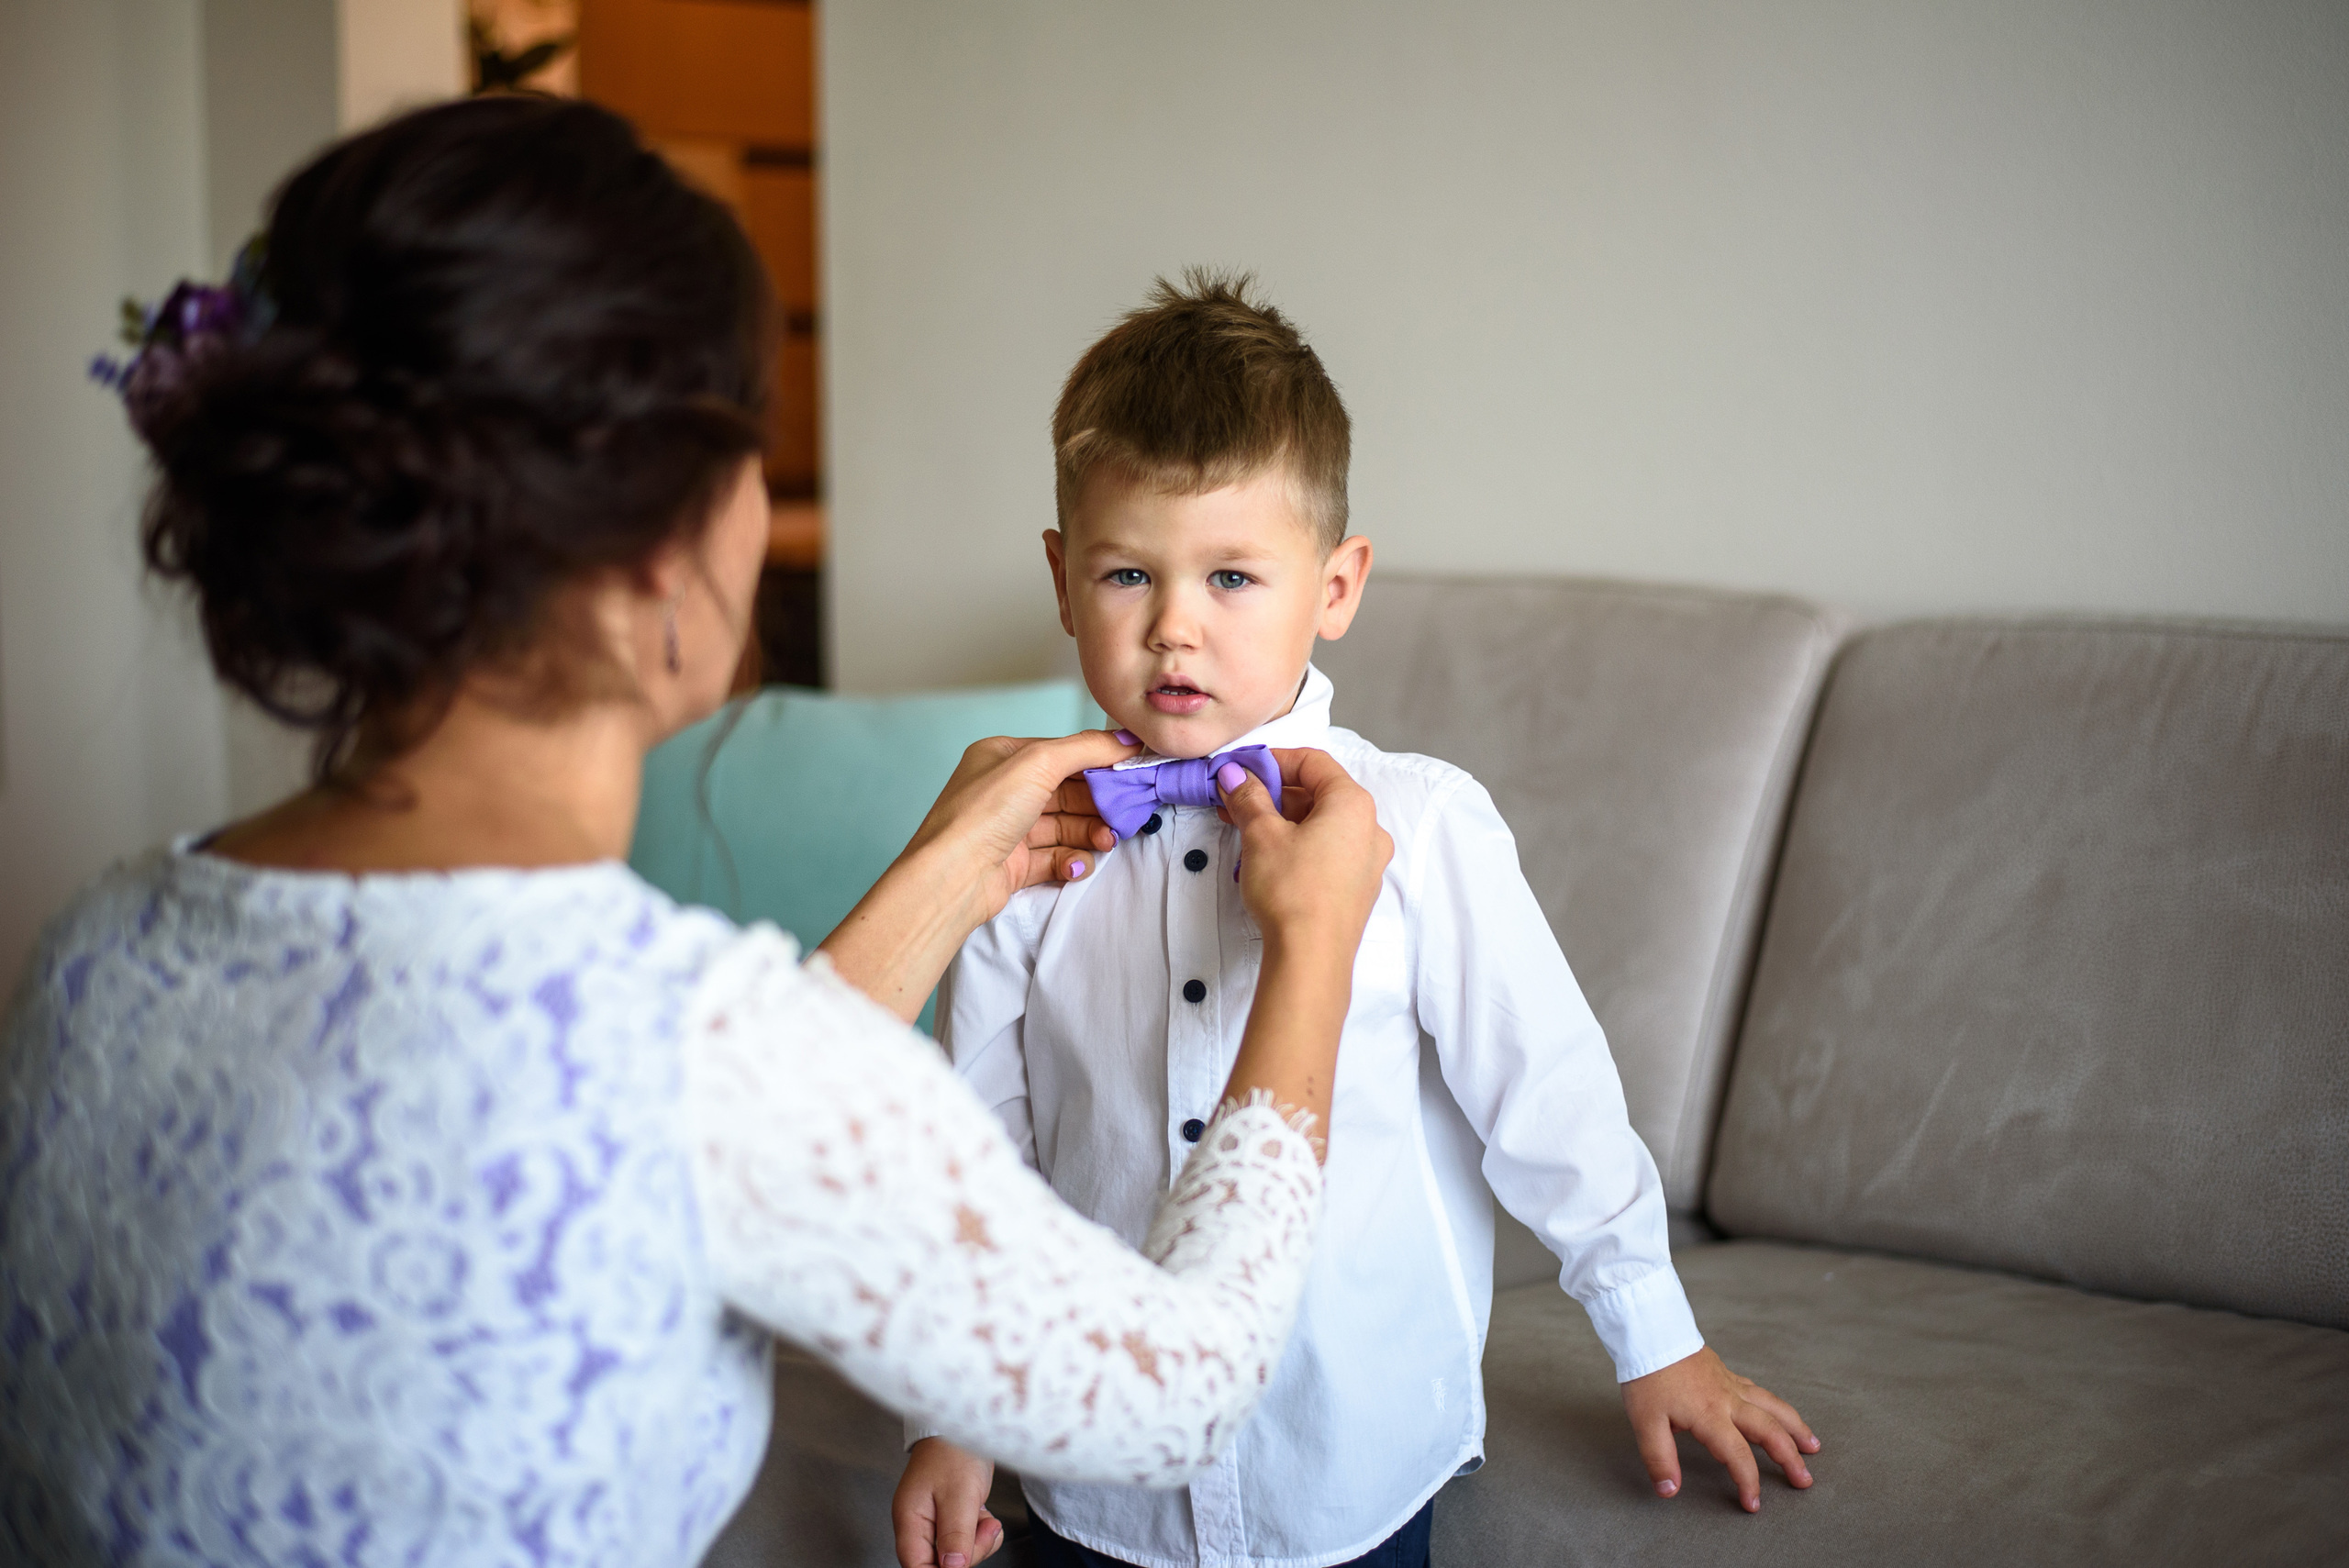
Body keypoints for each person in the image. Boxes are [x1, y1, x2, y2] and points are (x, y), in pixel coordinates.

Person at [0, 102, 1396, 1568]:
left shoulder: (95, 949)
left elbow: (681, 1124)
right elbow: (1177, 1396)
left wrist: (946, 875)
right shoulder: (688, 1047)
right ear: (667, 548)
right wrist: (1311, 955)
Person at [892, 273, 1823, 1568]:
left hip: (1342, 1461)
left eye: (1230, 574)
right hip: (1090, 1471)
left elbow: (1544, 1090)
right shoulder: (1032, 844)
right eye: (1126, 572)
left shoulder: (1426, 829)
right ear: (1060, 577)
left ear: (1336, 585)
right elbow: (977, 1146)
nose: (1174, 624)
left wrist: (1656, 1334)